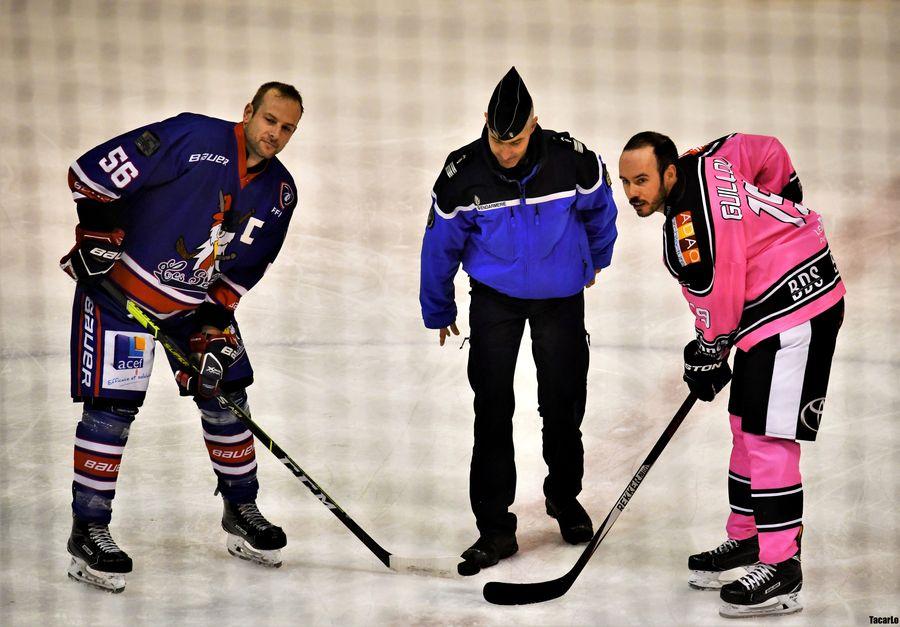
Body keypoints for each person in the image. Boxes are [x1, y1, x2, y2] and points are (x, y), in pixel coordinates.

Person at [60, 82, 304, 592]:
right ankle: (89, 530)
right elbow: (91, 173)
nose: (275, 135)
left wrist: (213, 326)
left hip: (192, 310)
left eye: (287, 128)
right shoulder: (192, 135)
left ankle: (241, 511)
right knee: (112, 411)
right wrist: (98, 230)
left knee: (227, 398)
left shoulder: (281, 194)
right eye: (270, 121)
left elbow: (243, 270)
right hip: (119, 298)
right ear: (248, 112)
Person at [618, 132, 845, 618]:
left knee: (768, 437)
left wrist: (706, 352)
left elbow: (719, 303)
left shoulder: (689, 232)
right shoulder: (707, 157)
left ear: (669, 172)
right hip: (775, 308)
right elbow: (764, 149)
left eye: (642, 180)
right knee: (744, 426)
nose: (633, 192)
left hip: (797, 311)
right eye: (626, 182)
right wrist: (783, 198)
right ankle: (748, 538)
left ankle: (783, 568)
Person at [419, 67, 618, 571]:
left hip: (560, 297)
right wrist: (439, 306)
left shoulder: (571, 160)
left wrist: (594, 261)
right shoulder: (461, 173)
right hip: (495, 300)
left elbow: (602, 210)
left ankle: (564, 498)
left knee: (563, 400)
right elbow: (439, 246)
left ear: (536, 126)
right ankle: (494, 527)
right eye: (497, 139)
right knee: (492, 408)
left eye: (516, 140)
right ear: (485, 122)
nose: (505, 151)